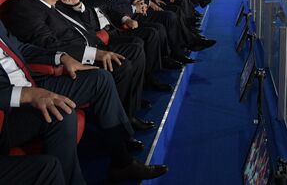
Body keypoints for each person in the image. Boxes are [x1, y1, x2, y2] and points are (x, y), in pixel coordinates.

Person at [0, 19, 168, 183]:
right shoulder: (24, 9)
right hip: (9, 107)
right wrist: (26, 94)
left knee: (100, 79)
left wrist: (62, 57)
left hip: (32, 82)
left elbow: (21, 48)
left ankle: (122, 162)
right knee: (62, 113)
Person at [4, 0, 153, 132]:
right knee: (121, 65)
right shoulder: (26, 8)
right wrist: (94, 54)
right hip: (75, 59)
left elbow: (88, 10)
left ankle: (128, 113)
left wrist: (76, 4)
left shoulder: (57, 1)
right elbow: (48, 44)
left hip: (94, 44)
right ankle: (122, 124)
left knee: (134, 49)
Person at [63, 0, 172, 91]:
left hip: (114, 28)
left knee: (147, 35)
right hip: (100, 38)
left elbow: (109, 8)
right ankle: (141, 85)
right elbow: (86, 3)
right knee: (138, 45)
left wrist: (125, 18)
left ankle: (145, 81)